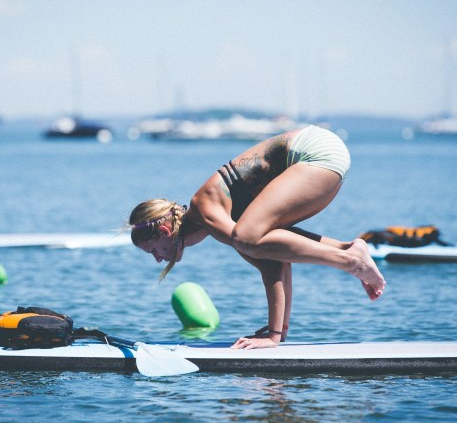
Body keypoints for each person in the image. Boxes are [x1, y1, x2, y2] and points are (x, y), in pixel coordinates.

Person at [128, 125, 386, 349]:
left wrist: (272, 337)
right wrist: (280, 330)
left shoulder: (209, 213)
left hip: (315, 152)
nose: (158, 260)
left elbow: (270, 265)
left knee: (247, 238)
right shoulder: (223, 218)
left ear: (164, 232)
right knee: (257, 239)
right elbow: (277, 257)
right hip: (323, 152)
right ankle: (348, 249)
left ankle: (350, 261)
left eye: (154, 250)